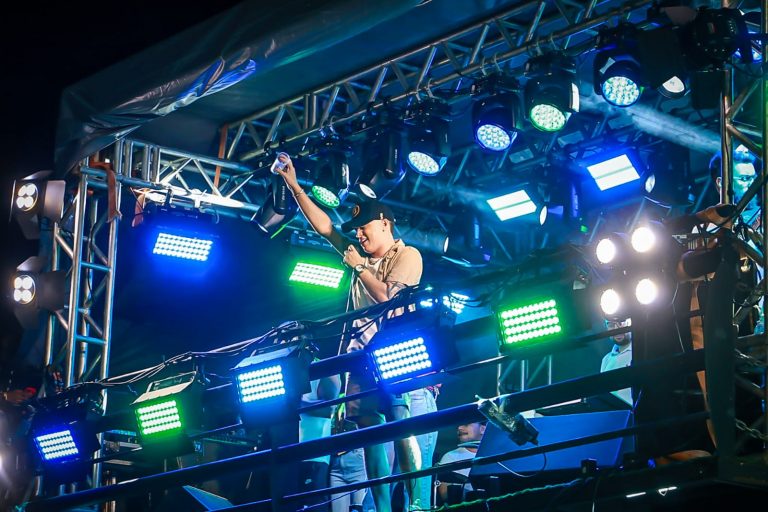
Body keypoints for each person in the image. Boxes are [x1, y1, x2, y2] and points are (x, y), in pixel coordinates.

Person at [275, 154, 425, 512]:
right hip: (360, 358)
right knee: (370, 431)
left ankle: (418, 502)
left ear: (385, 224)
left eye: (364, 228)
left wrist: (359, 267)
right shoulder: (358, 254)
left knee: (400, 423)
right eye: (356, 230)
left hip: (395, 351)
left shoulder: (408, 255)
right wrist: (294, 186)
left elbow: (388, 298)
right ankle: (383, 507)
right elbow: (325, 228)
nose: (358, 235)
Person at [436, 422, 486, 505]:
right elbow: (445, 494)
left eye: (466, 424)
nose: (459, 428)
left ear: (483, 429)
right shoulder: (450, 457)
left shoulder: (495, 456)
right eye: (458, 424)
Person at [600, 318, 633, 407]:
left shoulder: (642, 351)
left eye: (621, 323)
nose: (616, 328)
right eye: (611, 325)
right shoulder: (606, 359)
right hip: (614, 413)